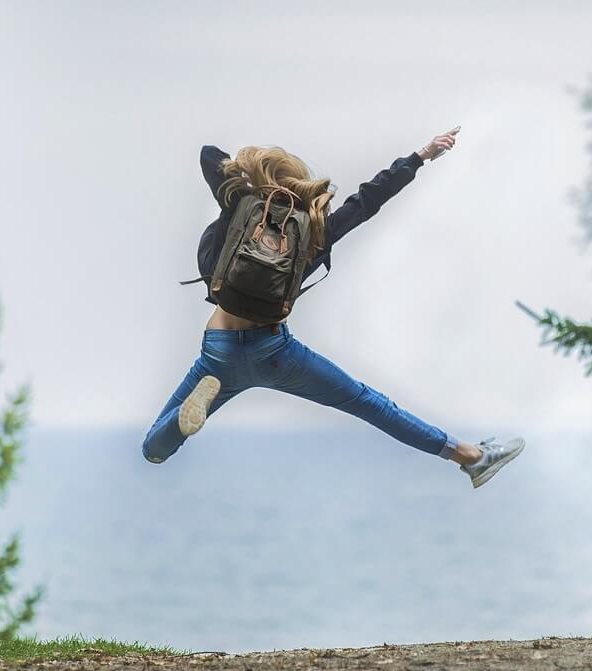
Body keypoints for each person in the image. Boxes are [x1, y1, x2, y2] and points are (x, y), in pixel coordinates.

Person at [142, 128, 524, 489]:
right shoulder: (313, 230)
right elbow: (367, 201)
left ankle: (180, 422)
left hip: (219, 351)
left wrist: (249, 179)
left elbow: (209, 155)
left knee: (153, 450)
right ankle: (471, 457)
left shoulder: (238, 206)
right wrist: (421, 156)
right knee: (370, 404)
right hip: (275, 352)